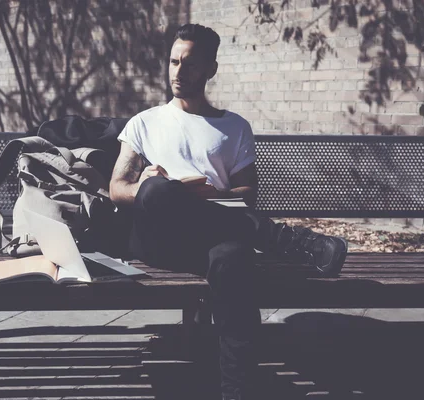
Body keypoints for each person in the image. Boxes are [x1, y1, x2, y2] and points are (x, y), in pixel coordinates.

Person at [109, 23, 348, 400]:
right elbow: (117, 189)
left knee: (234, 260)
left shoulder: (234, 127)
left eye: (188, 64)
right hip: (158, 239)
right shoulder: (144, 122)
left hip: (214, 236)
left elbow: (247, 192)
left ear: (210, 70)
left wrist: (208, 194)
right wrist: (148, 183)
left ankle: (237, 392)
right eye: (173, 62)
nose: (178, 72)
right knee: (157, 189)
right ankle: (290, 240)